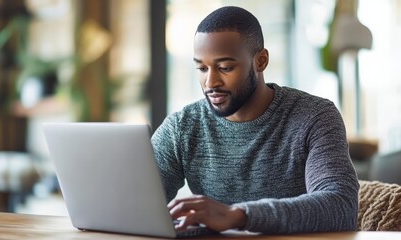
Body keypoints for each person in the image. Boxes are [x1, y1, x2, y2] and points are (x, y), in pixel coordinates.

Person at [151, 6, 359, 234]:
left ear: (261, 61)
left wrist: (239, 216)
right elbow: (138, 203)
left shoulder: (314, 116)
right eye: (202, 68)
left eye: (225, 67)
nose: (211, 82)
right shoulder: (182, 127)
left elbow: (340, 207)